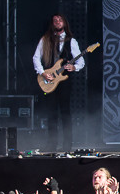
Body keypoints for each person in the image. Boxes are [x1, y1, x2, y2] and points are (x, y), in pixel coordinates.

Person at [33, 13, 84, 151]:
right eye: (55, 20)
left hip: (64, 81)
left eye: (60, 20)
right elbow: (36, 58)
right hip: (49, 81)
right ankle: (51, 144)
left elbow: (81, 61)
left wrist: (74, 67)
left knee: (65, 113)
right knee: (51, 114)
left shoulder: (71, 41)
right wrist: (43, 73)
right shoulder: (45, 40)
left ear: (64, 23)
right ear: (52, 23)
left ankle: (67, 145)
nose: (57, 22)